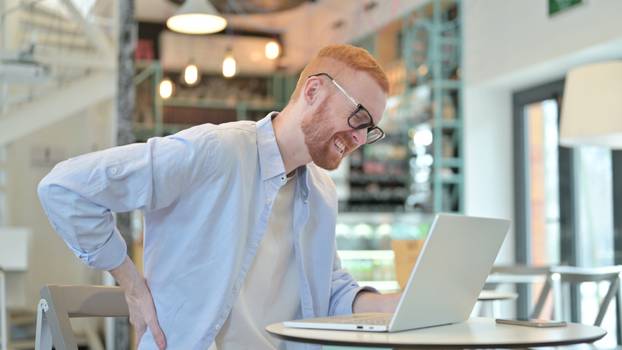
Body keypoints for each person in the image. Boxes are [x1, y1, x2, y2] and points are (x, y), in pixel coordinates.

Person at [38, 44, 401, 350]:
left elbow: (328, 289)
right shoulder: (217, 150)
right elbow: (66, 188)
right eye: (359, 117)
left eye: (371, 130)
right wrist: (132, 285)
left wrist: (393, 305)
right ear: (313, 91)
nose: (359, 138)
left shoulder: (322, 191)